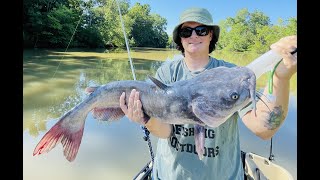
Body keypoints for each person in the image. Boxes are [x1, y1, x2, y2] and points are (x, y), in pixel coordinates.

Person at [119, 7, 297, 180]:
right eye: (186, 31)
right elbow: (166, 131)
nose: (194, 35)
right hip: (170, 175)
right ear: (180, 39)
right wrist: (146, 119)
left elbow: (262, 129)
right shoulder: (166, 73)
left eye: (201, 30)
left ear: (211, 34)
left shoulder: (232, 74)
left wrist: (280, 78)